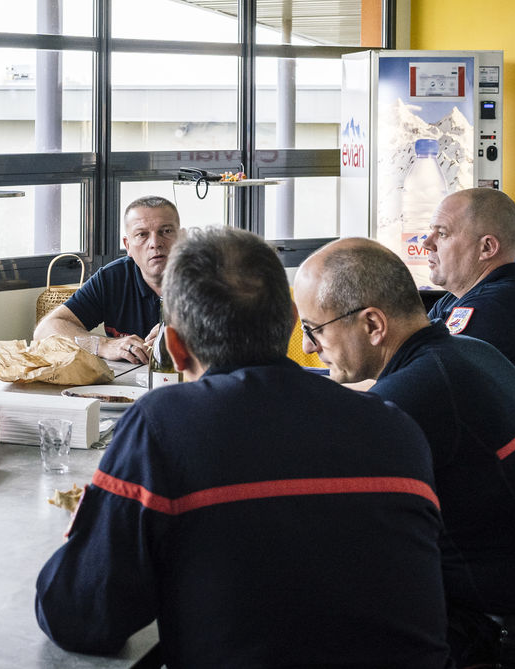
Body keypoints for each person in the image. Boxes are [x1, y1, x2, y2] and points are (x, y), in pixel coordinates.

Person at [36, 226, 448, 668]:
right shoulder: (395, 426)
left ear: (175, 349)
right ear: (293, 321)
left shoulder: (163, 425)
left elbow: (81, 616)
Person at [296, 237, 515, 667]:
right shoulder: (468, 352)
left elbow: (329, 524)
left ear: (373, 324)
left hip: (503, 637)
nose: (308, 347)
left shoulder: (411, 398)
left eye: (314, 329)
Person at [424, 187, 515, 411]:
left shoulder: (494, 310)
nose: (427, 243)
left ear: (487, 247)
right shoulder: (455, 301)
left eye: (442, 234)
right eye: (431, 232)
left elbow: (424, 389)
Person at [32, 196, 178, 364]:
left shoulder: (203, 276)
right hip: (127, 379)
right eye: (142, 234)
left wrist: (191, 334)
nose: (155, 243)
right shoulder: (113, 278)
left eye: (166, 231)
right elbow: (45, 330)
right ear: (128, 246)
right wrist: (102, 345)